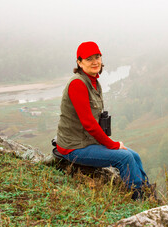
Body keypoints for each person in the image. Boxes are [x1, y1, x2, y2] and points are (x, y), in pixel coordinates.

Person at [56, 41, 150, 200]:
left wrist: (109, 143)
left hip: (87, 142)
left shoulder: (94, 82)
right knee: (125, 158)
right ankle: (137, 198)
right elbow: (88, 123)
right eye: (89, 59)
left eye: (97, 57)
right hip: (74, 147)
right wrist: (111, 144)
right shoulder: (78, 84)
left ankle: (147, 192)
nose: (95, 62)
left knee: (134, 155)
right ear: (79, 62)